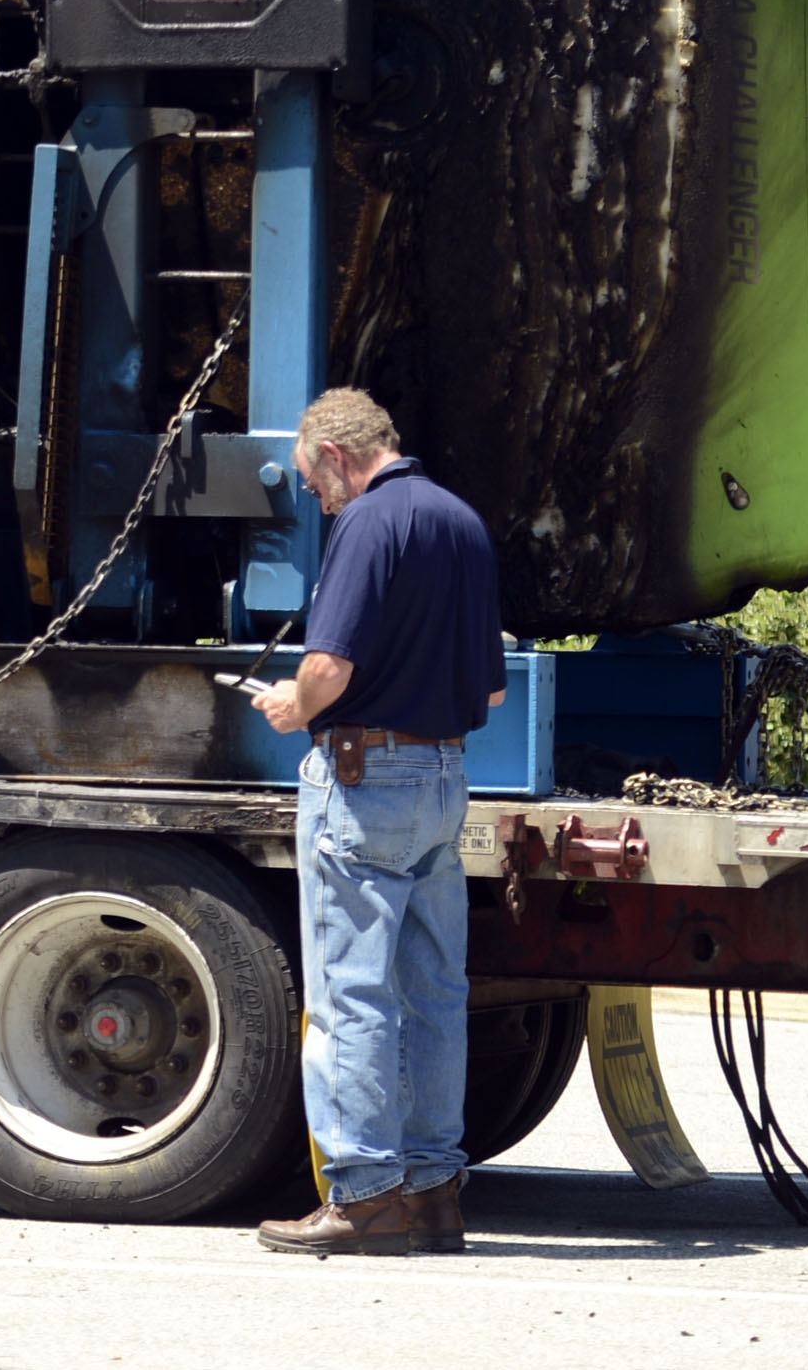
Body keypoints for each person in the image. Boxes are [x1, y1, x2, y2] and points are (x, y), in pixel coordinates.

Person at [247, 388, 503, 1257]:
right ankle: (434, 1194)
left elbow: (327, 662)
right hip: (445, 776)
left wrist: (292, 704)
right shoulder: (462, 521)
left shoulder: (367, 523)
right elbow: (493, 687)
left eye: (316, 480)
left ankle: (361, 1195)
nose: (317, 498)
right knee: (434, 991)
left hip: (364, 778)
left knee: (350, 992)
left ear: (337, 456)